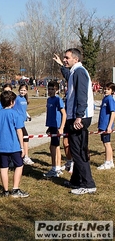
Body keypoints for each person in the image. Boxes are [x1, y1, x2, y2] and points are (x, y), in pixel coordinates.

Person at [53, 48, 96, 195]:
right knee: (77, 149)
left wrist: (79, 116)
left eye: (67, 58)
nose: (65, 59)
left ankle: (88, 184)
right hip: (78, 116)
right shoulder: (74, 72)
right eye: (64, 58)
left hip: (79, 117)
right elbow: (68, 76)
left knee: (78, 152)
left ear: (75, 59)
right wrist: (61, 65)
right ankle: (76, 181)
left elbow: (81, 95)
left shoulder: (79, 72)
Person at [0, 91, 29, 198]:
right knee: (19, 165)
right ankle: (15, 189)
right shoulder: (15, 114)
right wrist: (22, 147)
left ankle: (5, 191)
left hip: (2, 146)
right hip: (14, 146)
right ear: (12, 102)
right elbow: (19, 131)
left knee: (4, 167)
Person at [43, 81, 66, 178]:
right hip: (52, 126)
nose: (50, 91)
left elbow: (64, 114)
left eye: (53, 89)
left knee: (54, 147)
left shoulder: (58, 99)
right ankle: (57, 167)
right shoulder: (49, 100)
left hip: (57, 127)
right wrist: (49, 127)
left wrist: (61, 127)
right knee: (54, 147)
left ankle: (55, 168)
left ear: (57, 90)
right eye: (49, 89)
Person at [13, 84, 34, 165]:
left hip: (22, 122)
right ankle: (25, 156)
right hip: (18, 122)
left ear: (27, 91)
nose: (23, 92)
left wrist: (28, 116)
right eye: (21, 90)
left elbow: (23, 110)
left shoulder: (25, 99)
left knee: (23, 138)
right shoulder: (17, 99)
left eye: (24, 90)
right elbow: (14, 109)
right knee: (25, 138)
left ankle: (23, 156)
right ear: (19, 90)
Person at [96, 82, 115, 170]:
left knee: (107, 144)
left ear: (112, 91)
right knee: (106, 143)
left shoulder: (110, 99)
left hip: (106, 125)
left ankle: (107, 162)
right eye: (105, 89)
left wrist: (109, 126)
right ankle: (110, 161)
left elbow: (113, 113)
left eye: (108, 89)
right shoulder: (105, 98)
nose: (106, 91)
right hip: (102, 125)